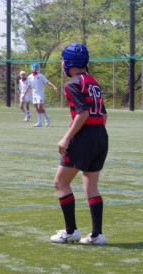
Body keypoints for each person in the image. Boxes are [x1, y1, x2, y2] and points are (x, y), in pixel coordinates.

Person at [50, 43, 108, 245]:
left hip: (84, 136)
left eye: (63, 60)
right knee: (91, 186)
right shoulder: (94, 82)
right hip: (101, 134)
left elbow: (82, 113)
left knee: (61, 182)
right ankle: (97, 235)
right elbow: (103, 114)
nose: (62, 64)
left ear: (69, 62)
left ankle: (70, 231)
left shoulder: (72, 84)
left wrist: (67, 138)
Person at [22, 62, 57, 127]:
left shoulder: (41, 75)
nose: (34, 69)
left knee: (39, 107)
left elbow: (47, 82)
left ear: (37, 68)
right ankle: (39, 123)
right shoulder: (30, 77)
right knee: (37, 109)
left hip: (40, 93)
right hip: (34, 93)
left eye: (36, 67)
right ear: (31, 68)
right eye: (33, 67)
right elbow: (29, 86)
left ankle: (47, 117)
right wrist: (24, 94)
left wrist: (54, 86)